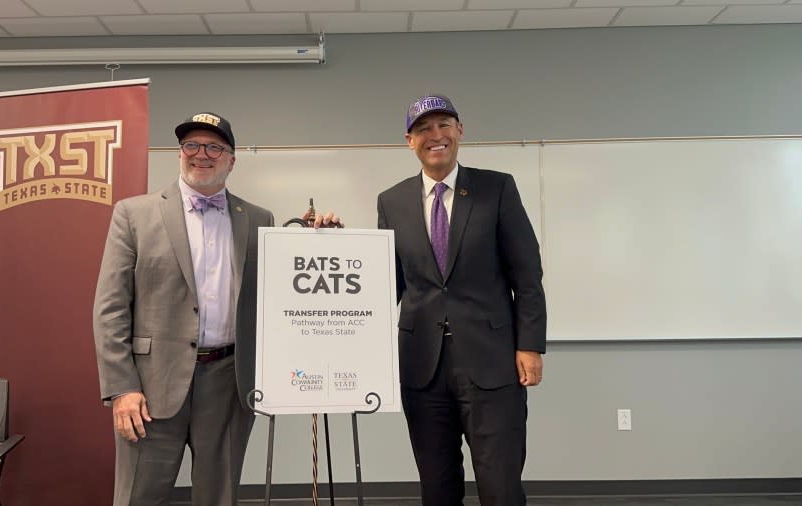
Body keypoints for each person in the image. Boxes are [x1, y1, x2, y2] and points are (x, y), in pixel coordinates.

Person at [93, 111, 341, 506]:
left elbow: (280, 291)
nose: (201, 154)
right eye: (191, 145)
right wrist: (122, 388)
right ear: (179, 153)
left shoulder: (258, 219)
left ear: (231, 159)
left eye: (213, 147)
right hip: (151, 385)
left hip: (228, 381)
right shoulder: (134, 214)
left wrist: (322, 245)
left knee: (219, 497)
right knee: (139, 496)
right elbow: (110, 309)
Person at [377, 95, 546, 505]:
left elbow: (527, 274)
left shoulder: (497, 187)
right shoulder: (392, 201)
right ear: (409, 140)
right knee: (437, 485)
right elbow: (387, 283)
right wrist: (328, 239)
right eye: (424, 129)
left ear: (460, 131)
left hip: (492, 361)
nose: (436, 135)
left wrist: (530, 345)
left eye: (444, 125)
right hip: (422, 365)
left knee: (501, 483)